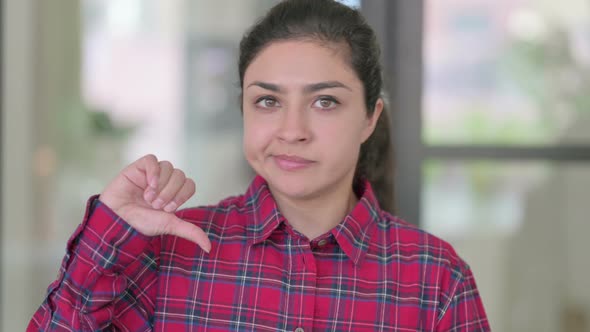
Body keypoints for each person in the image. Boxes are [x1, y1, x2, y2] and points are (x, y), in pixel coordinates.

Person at [27, 0, 490, 331]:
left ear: (370, 117)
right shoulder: (171, 255)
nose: (291, 130)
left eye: (325, 101)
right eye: (267, 100)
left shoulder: (436, 279)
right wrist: (108, 236)